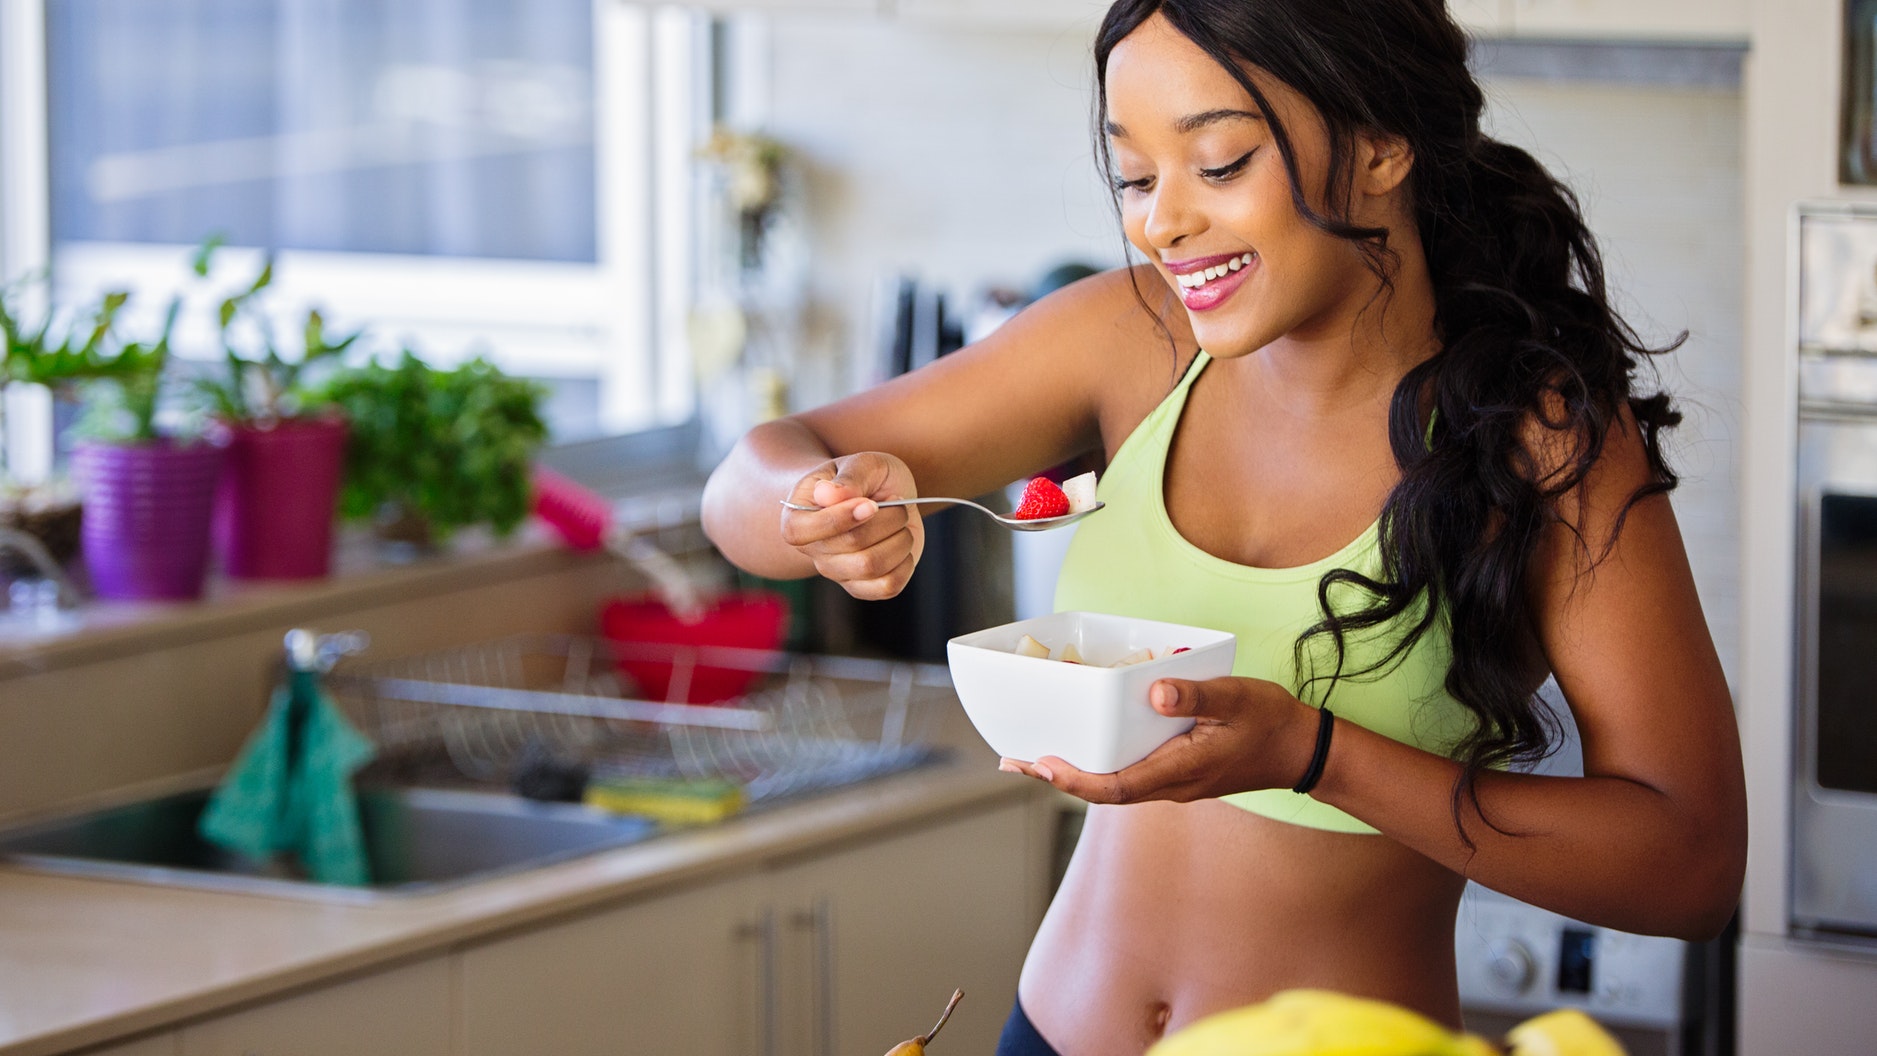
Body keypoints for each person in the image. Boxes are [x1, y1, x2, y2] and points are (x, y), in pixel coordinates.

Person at [700, 1, 1748, 1053]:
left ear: (1382, 144)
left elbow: (1689, 865)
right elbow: (748, 479)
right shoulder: (1129, 338)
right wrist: (815, 508)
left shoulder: (1539, 439)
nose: (1160, 222)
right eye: (1134, 177)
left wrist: (1313, 754)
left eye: (1218, 161)